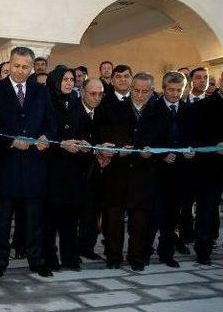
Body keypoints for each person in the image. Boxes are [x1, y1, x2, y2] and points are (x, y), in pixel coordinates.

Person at [0, 46, 56, 278]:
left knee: (34, 219)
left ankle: (36, 261)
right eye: (16, 65)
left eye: (25, 67)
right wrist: (10, 141)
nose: (20, 70)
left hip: (34, 167)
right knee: (1, 221)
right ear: (10, 63)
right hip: (4, 166)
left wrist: (46, 136)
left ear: (32, 67)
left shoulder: (41, 91)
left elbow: (50, 122)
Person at [98, 72, 162, 271]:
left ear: (152, 91)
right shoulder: (114, 109)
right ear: (130, 88)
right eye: (136, 90)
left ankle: (137, 256)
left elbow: (165, 140)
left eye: (145, 92)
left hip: (144, 174)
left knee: (140, 219)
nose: (140, 95)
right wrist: (117, 149)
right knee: (114, 217)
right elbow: (105, 136)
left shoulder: (159, 112)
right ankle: (114, 256)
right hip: (118, 172)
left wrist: (152, 151)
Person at [42, 67, 94, 271]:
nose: (69, 83)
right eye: (64, 79)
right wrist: (61, 143)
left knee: (70, 218)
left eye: (72, 79)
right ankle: (50, 258)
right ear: (55, 81)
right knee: (50, 220)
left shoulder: (75, 102)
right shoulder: (47, 101)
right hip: (52, 168)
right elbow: (44, 131)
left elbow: (85, 129)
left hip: (72, 171)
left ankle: (70, 258)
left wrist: (84, 142)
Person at [147, 71, 195, 268]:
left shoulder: (189, 110)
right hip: (157, 171)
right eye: (171, 90)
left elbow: (193, 136)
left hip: (180, 172)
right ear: (163, 88)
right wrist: (162, 155)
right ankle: (143, 252)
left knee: (172, 215)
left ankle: (166, 252)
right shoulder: (153, 108)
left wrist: (191, 151)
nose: (175, 94)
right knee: (153, 214)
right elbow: (147, 139)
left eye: (179, 90)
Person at [191, 76, 223, 265]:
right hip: (211, 166)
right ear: (220, 81)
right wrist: (214, 145)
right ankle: (204, 248)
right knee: (207, 208)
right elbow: (195, 137)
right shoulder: (205, 106)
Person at [77, 78, 106, 261]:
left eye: (100, 94)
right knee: (74, 214)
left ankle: (87, 247)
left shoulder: (103, 112)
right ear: (82, 92)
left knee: (92, 212)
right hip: (75, 170)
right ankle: (72, 250)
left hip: (96, 170)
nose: (96, 98)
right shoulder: (73, 111)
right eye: (92, 94)